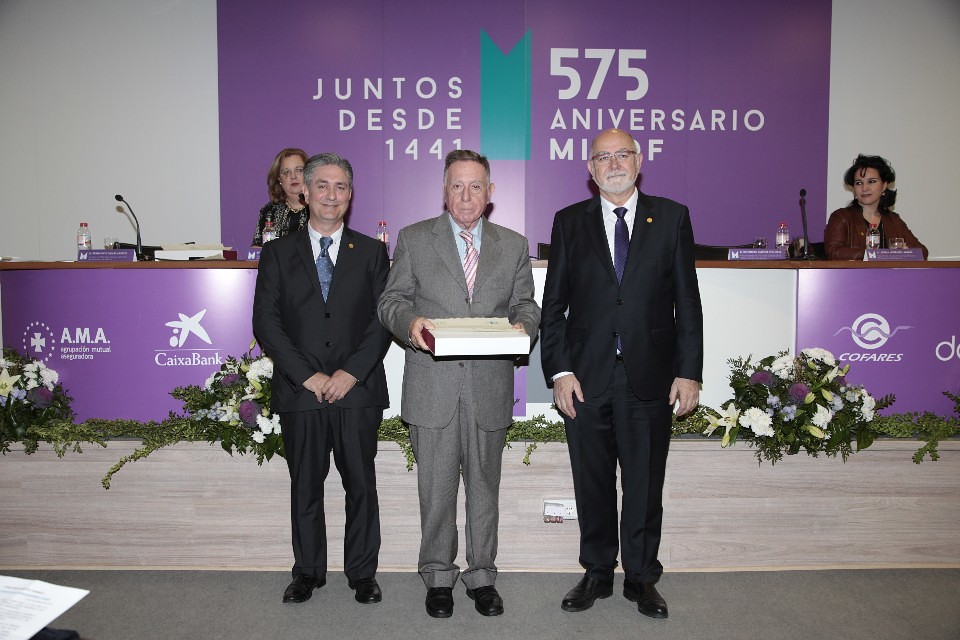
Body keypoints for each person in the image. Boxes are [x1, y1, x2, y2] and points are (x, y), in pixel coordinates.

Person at [539, 129, 703, 619]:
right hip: (585, 379)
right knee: (591, 482)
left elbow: (687, 301)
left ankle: (641, 576)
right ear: (590, 169)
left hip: (650, 376)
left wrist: (688, 371)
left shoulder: (671, 217)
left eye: (622, 154)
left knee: (644, 483)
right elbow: (554, 307)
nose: (613, 164)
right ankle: (596, 572)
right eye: (603, 157)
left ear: (639, 160)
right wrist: (560, 370)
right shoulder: (569, 221)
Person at [377, 149, 540, 619]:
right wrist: (411, 324)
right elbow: (391, 301)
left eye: (475, 186)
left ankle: (482, 576)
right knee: (436, 490)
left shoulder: (513, 245)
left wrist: (524, 328)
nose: (466, 196)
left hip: (489, 387)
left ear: (490, 193)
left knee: (485, 490)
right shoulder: (414, 239)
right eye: (457, 185)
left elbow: (526, 306)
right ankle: (438, 576)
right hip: (432, 388)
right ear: (444, 190)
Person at [253, 152, 392, 606]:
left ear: (350, 195)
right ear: (305, 192)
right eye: (323, 186)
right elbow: (266, 323)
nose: (332, 195)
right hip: (302, 392)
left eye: (341, 187)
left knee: (361, 486)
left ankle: (363, 574)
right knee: (305, 486)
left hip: (357, 391)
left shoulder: (372, 252)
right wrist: (308, 376)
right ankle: (308, 572)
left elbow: (382, 321)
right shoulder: (277, 253)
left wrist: (351, 373)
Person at [824, 154, 928, 260]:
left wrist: (906, 253)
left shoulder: (893, 220)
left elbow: (922, 252)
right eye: (859, 183)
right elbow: (833, 252)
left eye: (871, 181)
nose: (864, 188)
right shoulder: (841, 217)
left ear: (884, 186)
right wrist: (874, 254)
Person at [252, 147, 311, 246]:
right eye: (286, 172)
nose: (293, 176)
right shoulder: (269, 211)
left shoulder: (320, 209)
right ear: (279, 179)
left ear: (309, 174)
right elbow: (257, 248)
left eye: (299, 170)